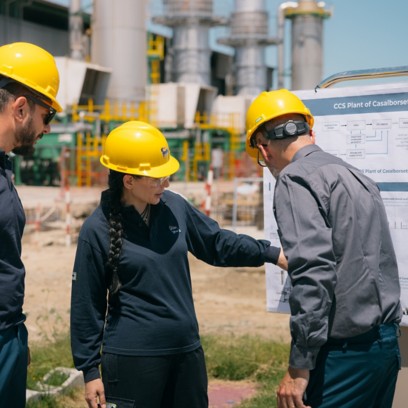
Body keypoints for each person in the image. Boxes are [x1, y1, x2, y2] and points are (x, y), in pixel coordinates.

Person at [70, 120, 286, 408]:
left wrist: (272, 254)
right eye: (157, 178)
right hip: (132, 362)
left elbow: (217, 244)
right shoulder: (96, 230)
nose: (166, 183)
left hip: (186, 355)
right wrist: (89, 370)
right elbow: (87, 304)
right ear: (129, 180)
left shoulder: (175, 207)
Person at [245, 89, 402, 408]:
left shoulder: (295, 180)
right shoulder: (356, 176)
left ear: (263, 147)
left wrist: (298, 366)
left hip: (343, 356)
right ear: (309, 131)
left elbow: (313, 272)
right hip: (385, 347)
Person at [0, 42, 62, 406]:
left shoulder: (4, 166)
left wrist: (16, 339)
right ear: (21, 108)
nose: (48, 129)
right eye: (47, 116)